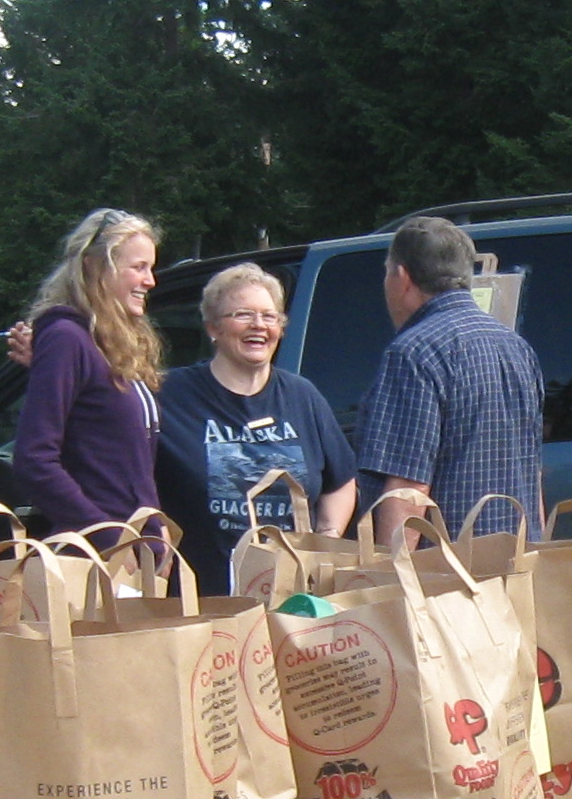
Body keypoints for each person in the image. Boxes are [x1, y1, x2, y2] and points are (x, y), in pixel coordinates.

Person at [157, 260, 360, 592]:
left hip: (291, 597)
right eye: (242, 315)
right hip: (202, 600)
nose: (259, 326)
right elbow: (129, 477)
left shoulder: (302, 396)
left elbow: (341, 478)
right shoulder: (170, 396)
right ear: (212, 327)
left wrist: (327, 538)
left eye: (269, 316)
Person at [357, 213, 544, 547]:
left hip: (445, 580)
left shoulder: (412, 353)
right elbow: (532, 474)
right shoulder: (517, 347)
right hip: (514, 569)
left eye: (387, 272)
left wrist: (388, 584)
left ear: (402, 277)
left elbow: (408, 490)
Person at [12, 206, 162, 540]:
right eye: (139, 268)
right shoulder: (66, 339)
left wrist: (155, 531)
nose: (150, 281)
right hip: (99, 560)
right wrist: (106, 535)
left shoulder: (112, 346)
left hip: (137, 550)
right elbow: (34, 461)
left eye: (150, 268)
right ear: (95, 267)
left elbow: (125, 466)